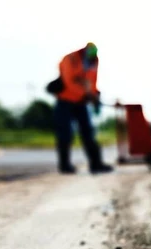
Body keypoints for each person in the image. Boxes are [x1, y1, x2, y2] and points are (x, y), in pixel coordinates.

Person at [54, 43, 113, 174]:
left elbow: (91, 82)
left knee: (88, 132)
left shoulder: (94, 62)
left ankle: (96, 164)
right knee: (65, 134)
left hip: (81, 102)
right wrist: (88, 95)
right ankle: (65, 166)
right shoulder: (70, 59)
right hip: (65, 100)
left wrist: (95, 94)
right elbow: (69, 82)